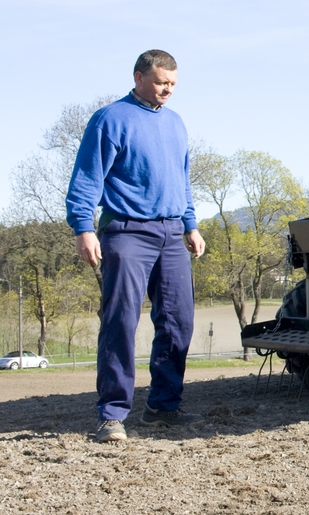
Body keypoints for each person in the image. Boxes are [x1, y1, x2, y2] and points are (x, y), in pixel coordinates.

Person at [66, 50, 207, 443]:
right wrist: (84, 227)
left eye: (173, 84)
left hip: (171, 232)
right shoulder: (111, 118)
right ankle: (112, 415)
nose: (167, 90)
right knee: (120, 321)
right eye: (162, 82)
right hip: (126, 232)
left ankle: (163, 407)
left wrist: (190, 225)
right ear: (139, 77)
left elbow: (182, 181)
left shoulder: (176, 124)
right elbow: (87, 177)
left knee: (179, 322)